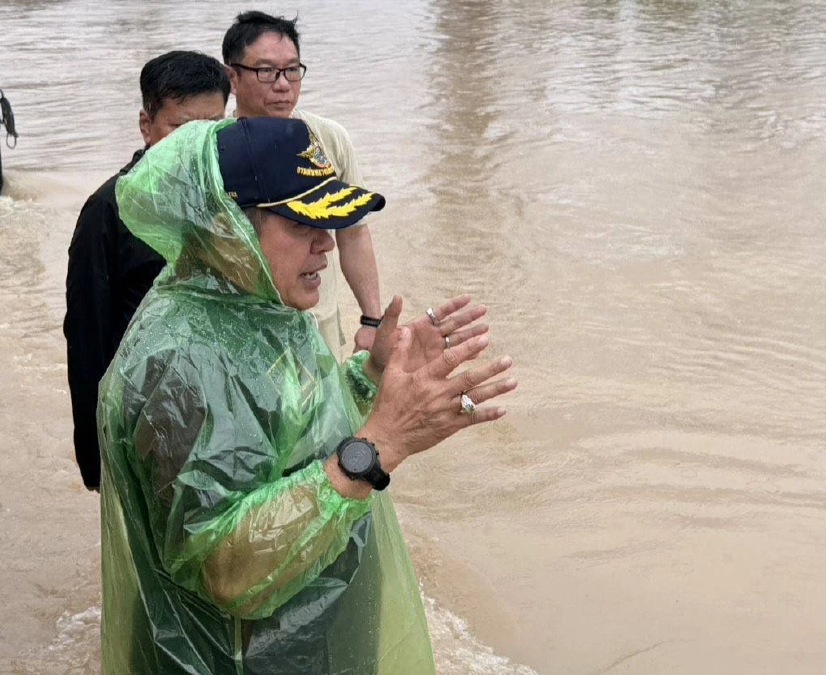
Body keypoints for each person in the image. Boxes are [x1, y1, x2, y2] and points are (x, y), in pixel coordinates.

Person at [98, 116, 517, 674]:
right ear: (229, 226)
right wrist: (378, 446)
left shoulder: (264, 309)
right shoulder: (181, 360)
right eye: (302, 223)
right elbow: (223, 567)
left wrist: (373, 375)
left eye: (331, 221)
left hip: (310, 642)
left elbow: (291, 432)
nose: (327, 244)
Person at [64, 51, 229, 491]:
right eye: (180, 128)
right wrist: (96, 458)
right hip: (143, 422)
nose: (196, 143)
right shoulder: (107, 212)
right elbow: (87, 339)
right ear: (146, 124)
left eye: (212, 128)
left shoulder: (230, 202)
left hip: (221, 415)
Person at [222, 11, 383, 354]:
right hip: (243, 335)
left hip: (317, 329)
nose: (283, 84)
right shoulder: (215, 149)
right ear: (232, 77)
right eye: (266, 71)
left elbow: (353, 233)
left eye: (292, 70)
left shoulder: (329, 138)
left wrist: (372, 321)